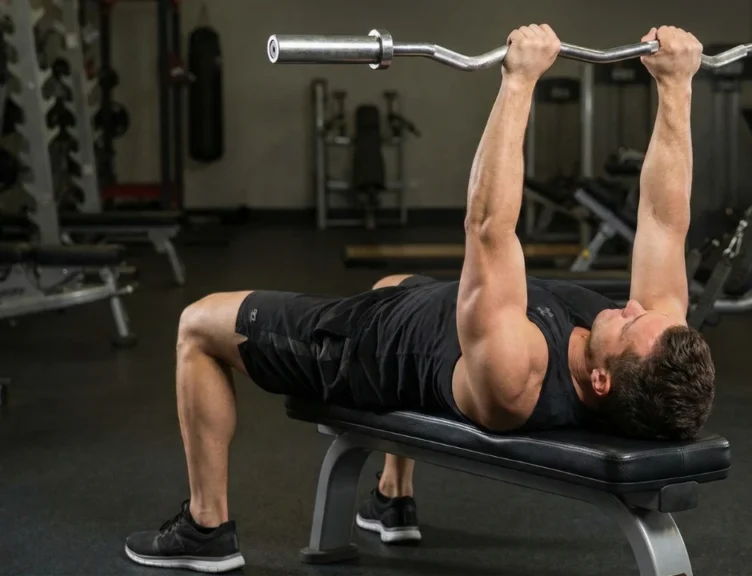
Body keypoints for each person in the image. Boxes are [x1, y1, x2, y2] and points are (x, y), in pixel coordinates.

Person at [124, 23, 715, 574]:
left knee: (198, 325)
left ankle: (206, 529)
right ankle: (392, 497)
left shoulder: (519, 370)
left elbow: (488, 227)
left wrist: (519, 81)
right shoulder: (647, 344)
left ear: (604, 382)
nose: (635, 307)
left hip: (359, 347)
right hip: (418, 317)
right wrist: (676, 88)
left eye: (631, 323)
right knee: (394, 288)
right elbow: (664, 221)